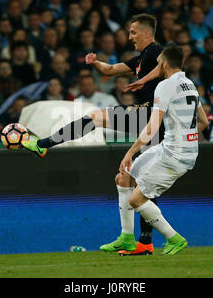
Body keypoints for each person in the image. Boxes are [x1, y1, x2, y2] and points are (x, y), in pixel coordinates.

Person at [22, 14, 164, 255]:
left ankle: (44, 143)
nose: (129, 37)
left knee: (95, 118)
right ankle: (142, 242)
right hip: (150, 120)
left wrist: (144, 81)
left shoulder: (155, 51)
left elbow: (167, 66)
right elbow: (111, 69)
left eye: (133, 32)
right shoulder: (141, 58)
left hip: (151, 115)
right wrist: (96, 63)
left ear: (147, 34)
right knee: (132, 181)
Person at [101, 44, 209, 255]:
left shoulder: (165, 85)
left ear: (165, 64)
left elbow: (151, 127)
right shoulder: (190, 84)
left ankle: (175, 239)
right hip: (172, 147)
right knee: (123, 177)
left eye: (158, 63)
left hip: (175, 155)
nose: (157, 66)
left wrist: (129, 152)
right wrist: (185, 137)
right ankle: (126, 239)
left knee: (136, 200)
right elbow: (203, 121)